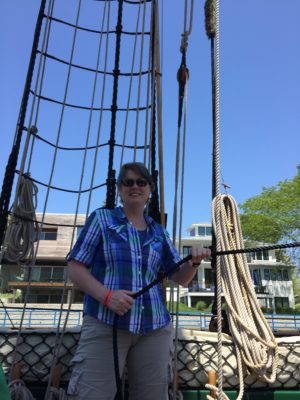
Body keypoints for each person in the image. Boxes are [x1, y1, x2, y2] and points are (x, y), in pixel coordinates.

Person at [67, 162, 211, 400]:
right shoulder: (102, 219)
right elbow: (75, 266)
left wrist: (194, 263)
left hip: (153, 327)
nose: (135, 187)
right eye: (128, 182)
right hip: (106, 323)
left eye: (141, 182)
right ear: (120, 189)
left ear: (149, 189)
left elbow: (181, 278)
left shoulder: (159, 232)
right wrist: (107, 296)